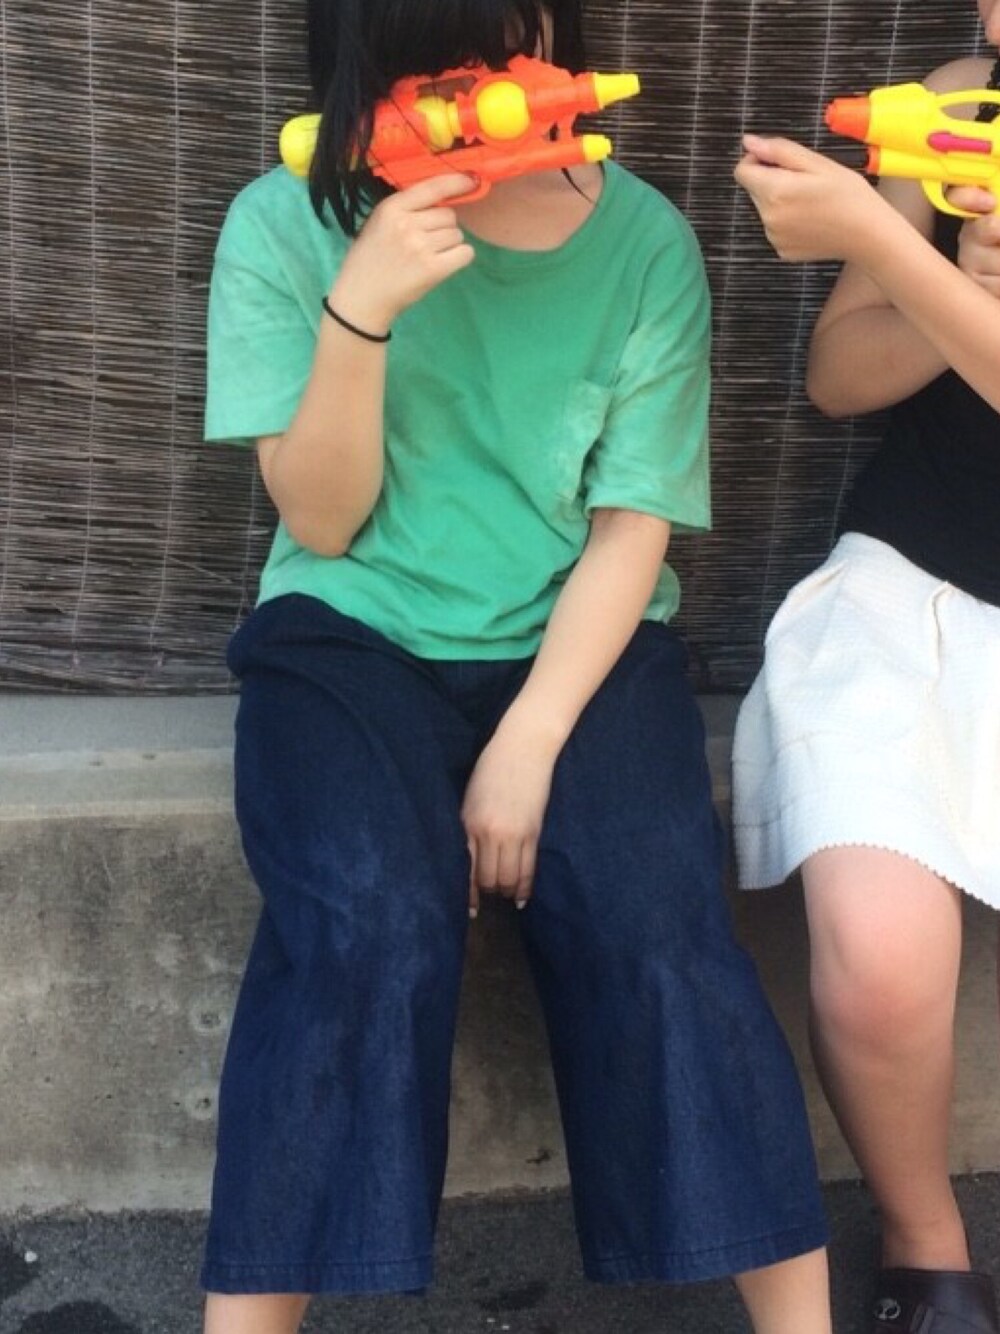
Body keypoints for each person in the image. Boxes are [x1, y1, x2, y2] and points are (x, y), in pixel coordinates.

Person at [200, 3, 832, 1331]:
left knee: (658, 917)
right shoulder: (280, 218)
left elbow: (631, 525)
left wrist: (530, 741)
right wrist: (362, 308)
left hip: (578, 638)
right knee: (365, 923)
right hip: (348, 632)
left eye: (504, 42)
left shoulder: (643, 239)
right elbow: (320, 520)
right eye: (429, 56)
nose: (471, 83)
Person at [732, 2, 1000, 1330]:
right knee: (882, 946)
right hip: (920, 583)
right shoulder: (965, 98)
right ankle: (926, 1244)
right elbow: (840, 374)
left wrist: (900, 249)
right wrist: (955, 286)